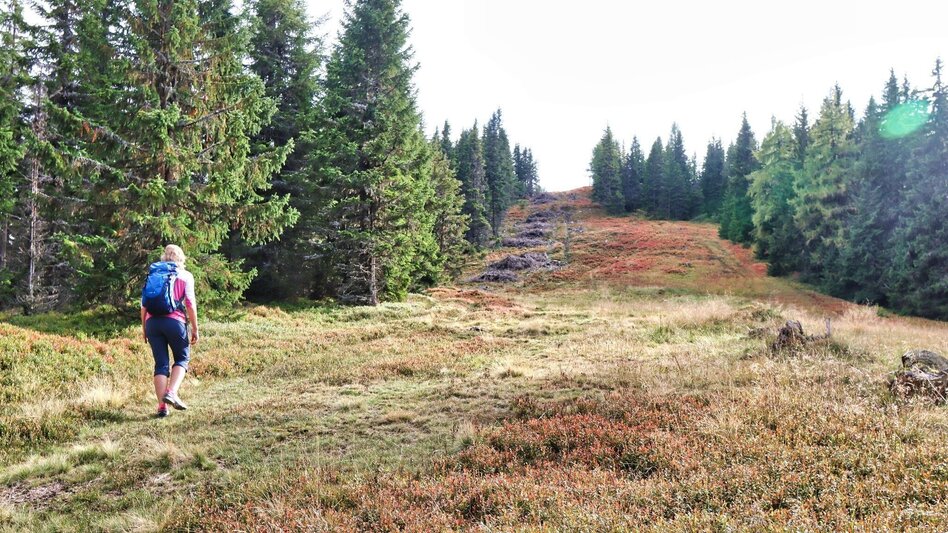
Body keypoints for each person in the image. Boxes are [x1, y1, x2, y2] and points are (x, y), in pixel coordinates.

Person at [141, 245, 199, 418]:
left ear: (164, 257)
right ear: (181, 258)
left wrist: (144, 329)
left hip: (152, 323)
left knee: (160, 364)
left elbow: (143, 306)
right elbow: (190, 303)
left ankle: (161, 407)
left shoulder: (153, 275)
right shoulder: (185, 276)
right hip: (174, 322)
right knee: (182, 358)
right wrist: (195, 328)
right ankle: (171, 393)